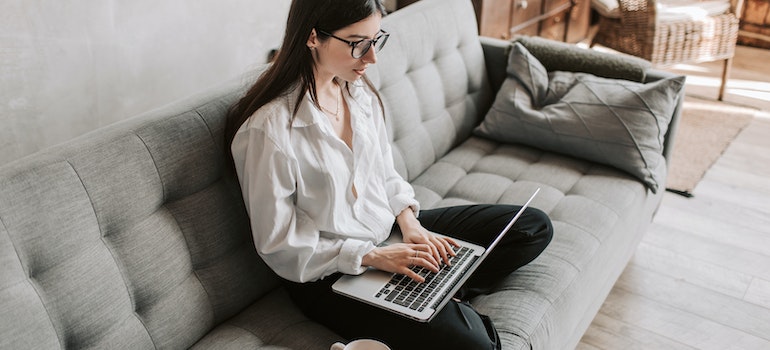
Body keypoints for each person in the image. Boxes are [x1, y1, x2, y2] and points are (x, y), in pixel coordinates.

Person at [225, 0, 553, 348]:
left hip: (390, 236)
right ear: (312, 38)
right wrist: (373, 257)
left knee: (531, 227)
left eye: (375, 40)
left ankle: (435, 289)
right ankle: (439, 298)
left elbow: (385, 174)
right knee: (476, 345)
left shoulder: (356, 91)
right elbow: (280, 245)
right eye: (357, 44)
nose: (371, 58)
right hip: (331, 273)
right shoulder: (269, 131)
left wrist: (412, 226)